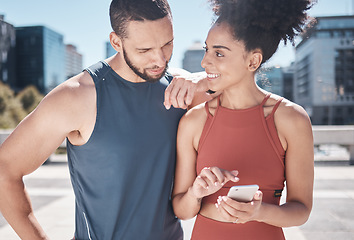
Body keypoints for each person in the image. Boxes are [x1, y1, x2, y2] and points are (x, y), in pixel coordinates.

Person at [0, 0, 211, 239]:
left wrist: (203, 81)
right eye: (144, 50)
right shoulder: (76, 96)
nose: (160, 59)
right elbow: (5, 170)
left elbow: (246, 92)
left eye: (168, 44)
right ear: (116, 42)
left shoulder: (180, 87)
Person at [172, 0, 315, 239]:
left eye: (218, 53)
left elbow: (301, 210)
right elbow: (182, 210)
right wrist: (196, 192)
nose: (205, 62)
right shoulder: (193, 121)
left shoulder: (292, 120)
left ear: (253, 61)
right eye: (207, 50)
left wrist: (258, 212)